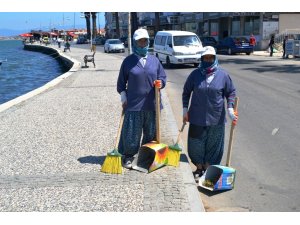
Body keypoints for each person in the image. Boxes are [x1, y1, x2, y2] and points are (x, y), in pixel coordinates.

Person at [182, 46, 238, 182]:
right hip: (196, 117)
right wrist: (185, 109)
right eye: (205, 58)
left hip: (216, 117)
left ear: (215, 58)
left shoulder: (223, 75)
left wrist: (230, 109)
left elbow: (231, 92)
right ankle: (199, 168)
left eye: (210, 57)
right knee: (196, 144)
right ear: (202, 59)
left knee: (213, 145)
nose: (208, 60)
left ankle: (208, 169)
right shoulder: (195, 74)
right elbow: (186, 92)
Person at [117, 28, 167, 169]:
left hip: (153, 104)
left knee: (151, 133)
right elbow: (121, 83)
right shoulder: (128, 61)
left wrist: (161, 83)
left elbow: (162, 77)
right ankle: (129, 155)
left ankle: (147, 156)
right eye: (139, 41)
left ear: (148, 42)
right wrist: (123, 98)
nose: (142, 44)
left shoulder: (154, 60)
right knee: (132, 133)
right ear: (135, 43)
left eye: (145, 41)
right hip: (134, 105)